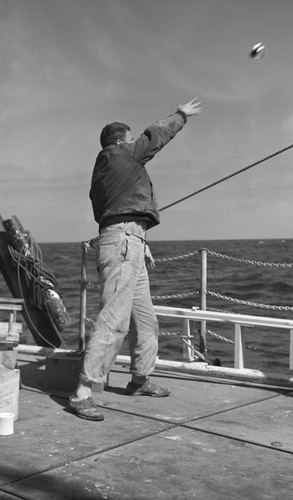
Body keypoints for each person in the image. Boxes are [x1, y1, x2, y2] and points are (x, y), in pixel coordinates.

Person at [69, 98, 202, 420]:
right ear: (120, 140)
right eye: (129, 139)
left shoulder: (104, 170)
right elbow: (154, 137)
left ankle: (140, 379)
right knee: (114, 319)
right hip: (123, 243)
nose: (134, 144)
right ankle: (83, 391)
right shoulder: (119, 153)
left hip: (131, 241)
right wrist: (181, 115)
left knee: (145, 320)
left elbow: (114, 212)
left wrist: (140, 240)